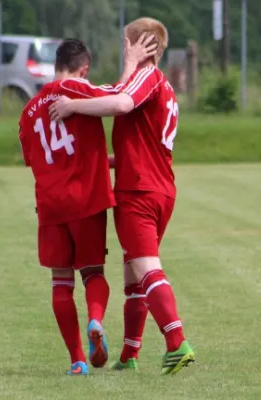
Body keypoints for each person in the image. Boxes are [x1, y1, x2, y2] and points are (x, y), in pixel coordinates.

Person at [48, 18, 195, 375]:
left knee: (146, 268)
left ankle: (178, 344)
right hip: (154, 185)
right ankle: (129, 355)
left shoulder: (147, 78)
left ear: (141, 45)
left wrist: (72, 106)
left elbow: (120, 104)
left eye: (126, 43)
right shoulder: (151, 84)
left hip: (140, 191)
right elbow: (120, 105)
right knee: (133, 274)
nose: (123, 49)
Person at [18, 38, 156, 376]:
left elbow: (39, 158)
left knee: (60, 282)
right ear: (85, 69)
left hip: (50, 205)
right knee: (93, 273)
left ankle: (77, 360)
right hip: (86, 200)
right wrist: (131, 61)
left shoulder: (29, 109)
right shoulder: (78, 89)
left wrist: (106, 160)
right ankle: (95, 319)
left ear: (55, 65)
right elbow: (122, 96)